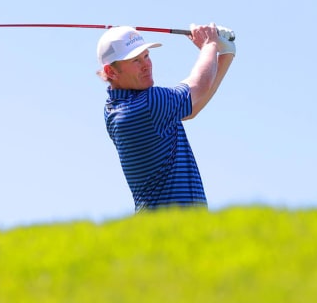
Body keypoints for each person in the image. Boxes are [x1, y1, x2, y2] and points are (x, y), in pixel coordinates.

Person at [97, 23, 235, 211]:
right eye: (135, 61)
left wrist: (225, 54)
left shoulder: (114, 109)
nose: (146, 65)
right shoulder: (149, 104)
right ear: (110, 72)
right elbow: (199, 84)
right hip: (172, 227)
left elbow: (192, 108)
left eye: (146, 56)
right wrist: (210, 44)